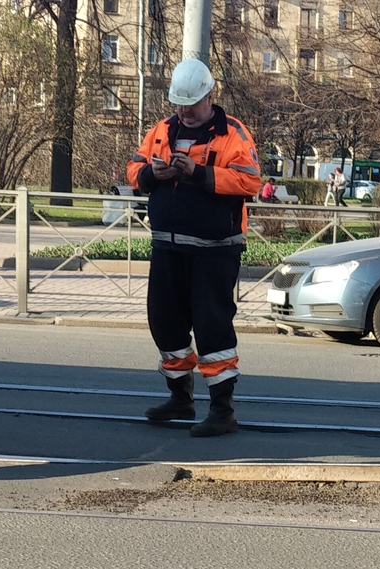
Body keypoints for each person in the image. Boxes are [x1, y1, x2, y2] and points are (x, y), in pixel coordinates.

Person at [127, 58, 261, 437]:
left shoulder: (232, 133)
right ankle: (180, 398)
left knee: (212, 327)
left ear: (210, 95)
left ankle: (222, 410)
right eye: (179, 103)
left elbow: (250, 181)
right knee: (165, 323)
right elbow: (134, 170)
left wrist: (199, 174)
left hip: (215, 249)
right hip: (168, 246)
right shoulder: (162, 130)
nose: (184, 111)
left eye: (192, 103)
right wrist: (154, 174)